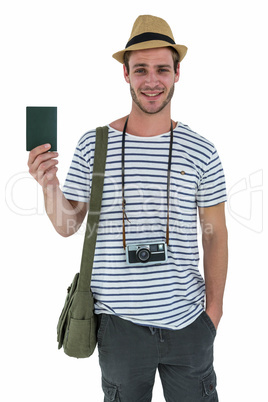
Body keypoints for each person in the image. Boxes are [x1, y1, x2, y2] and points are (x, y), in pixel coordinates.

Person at [28, 14, 228, 402]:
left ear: (177, 73)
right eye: (141, 70)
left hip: (189, 325)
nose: (151, 81)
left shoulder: (202, 150)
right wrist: (48, 184)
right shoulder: (94, 145)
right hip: (119, 329)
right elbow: (68, 225)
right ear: (125, 74)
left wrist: (213, 313)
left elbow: (216, 233)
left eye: (161, 69)